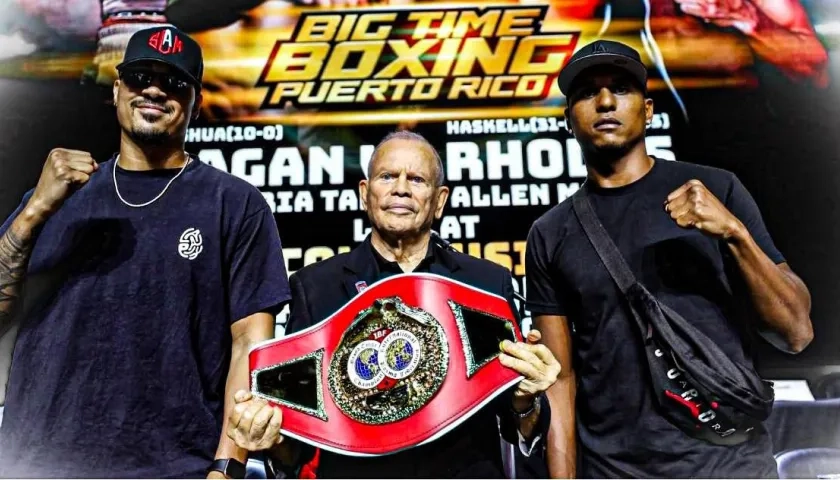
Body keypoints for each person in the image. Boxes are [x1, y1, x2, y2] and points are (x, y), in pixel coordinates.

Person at [0, 26, 291, 478]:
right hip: (38, 462)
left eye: (173, 82)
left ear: (194, 100)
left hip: (173, 467)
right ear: (117, 89)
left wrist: (226, 469)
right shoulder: (57, 195)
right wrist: (34, 209)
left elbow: (250, 346)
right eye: (139, 76)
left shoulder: (233, 203)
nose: (154, 89)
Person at [525, 39, 814, 478]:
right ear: (569, 121)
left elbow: (795, 331)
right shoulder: (550, 233)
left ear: (647, 110)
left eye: (621, 89)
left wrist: (733, 232)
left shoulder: (719, 190)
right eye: (587, 92)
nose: (604, 101)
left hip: (728, 465)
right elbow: (559, 381)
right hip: (615, 470)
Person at [224, 130, 562, 478]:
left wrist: (526, 399)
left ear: (439, 200)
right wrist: (272, 435)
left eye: (417, 179)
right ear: (365, 193)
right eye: (387, 176)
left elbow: (516, 421)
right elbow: (297, 446)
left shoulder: (487, 284)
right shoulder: (314, 287)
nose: (401, 188)